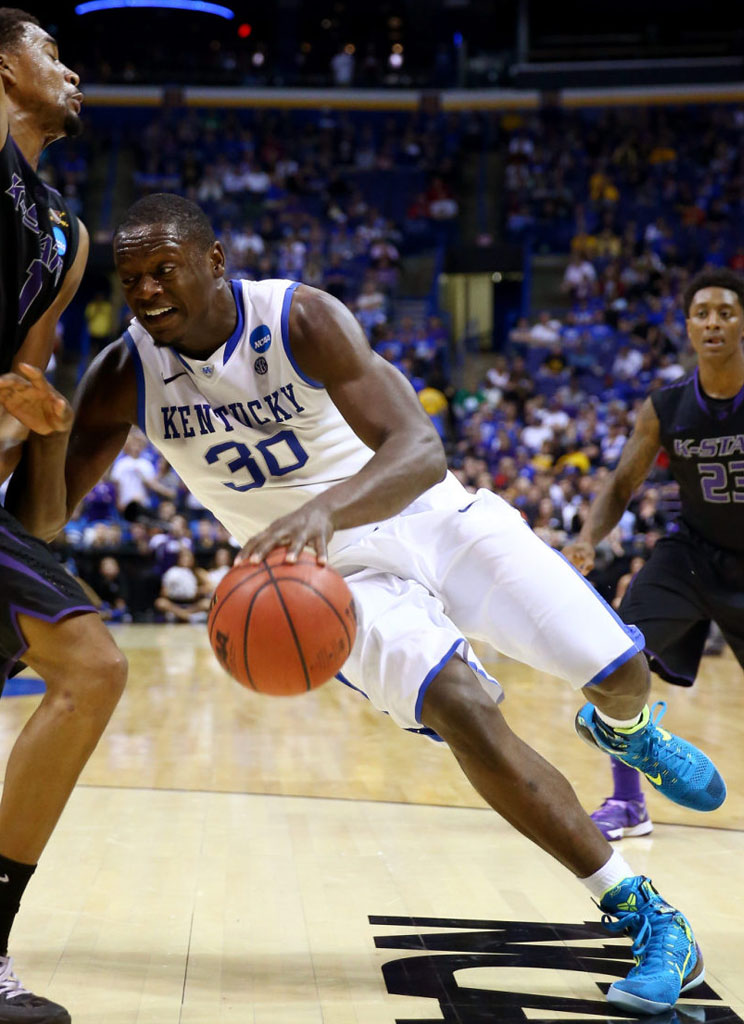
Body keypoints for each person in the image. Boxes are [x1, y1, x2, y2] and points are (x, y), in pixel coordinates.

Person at [0, 194, 726, 1015]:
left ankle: (623, 725)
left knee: (620, 670)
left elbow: (419, 449)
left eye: (163, 270)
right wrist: (52, 432)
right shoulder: (125, 372)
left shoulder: (300, 317)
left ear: (214, 262)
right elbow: (40, 524)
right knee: (462, 708)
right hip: (329, 584)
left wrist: (323, 509)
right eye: (130, 279)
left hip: (431, 519)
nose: (146, 292)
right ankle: (644, 912)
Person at [0, 9, 128, 1021]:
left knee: (86, 667)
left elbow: (28, 385)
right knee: (93, 665)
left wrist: (38, 425)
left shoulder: (64, 231)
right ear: (4, 67)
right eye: (51, 50)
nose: (71, 68)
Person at [565, 267, 744, 841]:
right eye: (702, 313)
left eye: (726, 312)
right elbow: (620, 485)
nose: (713, 322)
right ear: (688, 327)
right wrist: (586, 539)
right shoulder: (665, 407)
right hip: (693, 553)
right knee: (616, 657)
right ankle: (628, 802)